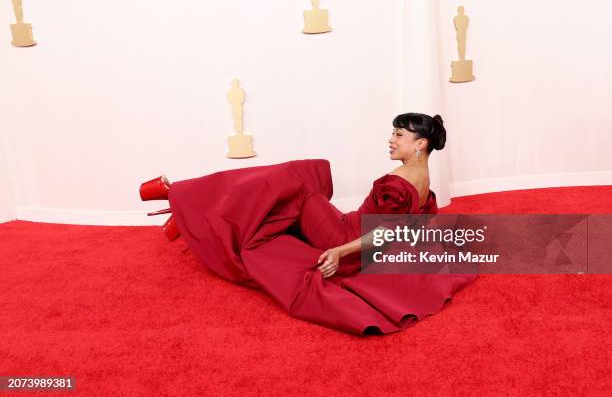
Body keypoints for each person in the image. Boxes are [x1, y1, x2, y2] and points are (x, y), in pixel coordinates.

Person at [139, 113, 477, 335]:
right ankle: (184, 209)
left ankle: (180, 199)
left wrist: (338, 251)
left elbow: (384, 233)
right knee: (291, 182)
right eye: (392, 133)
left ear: (420, 144)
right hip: (351, 231)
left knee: (293, 181)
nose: (391, 140)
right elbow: (404, 227)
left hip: (343, 235)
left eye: (399, 135)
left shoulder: (398, 180)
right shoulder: (422, 176)